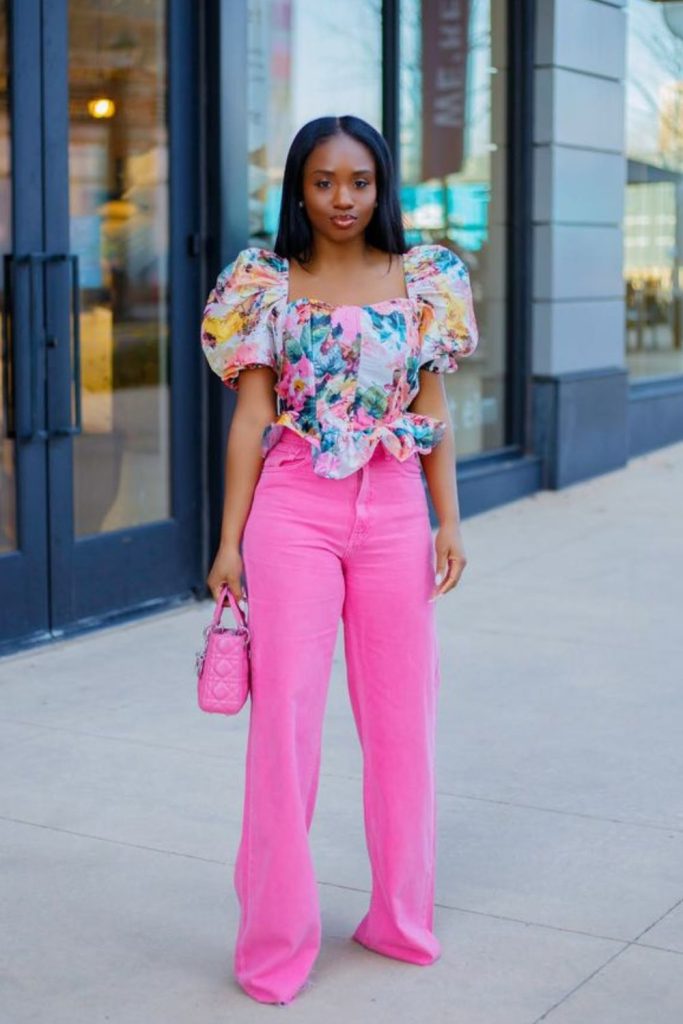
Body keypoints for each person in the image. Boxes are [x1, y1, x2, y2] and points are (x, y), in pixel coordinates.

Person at [200, 114, 479, 1006]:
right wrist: (228, 540)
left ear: (380, 185)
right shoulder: (264, 285)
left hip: (395, 506)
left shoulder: (425, 279)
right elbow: (250, 419)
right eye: (322, 182)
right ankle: (276, 942)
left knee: (403, 725)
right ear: (298, 191)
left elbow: (431, 413)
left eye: (357, 181)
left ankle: (399, 916)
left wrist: (448, 521)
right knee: (285, 730)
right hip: (293, 511)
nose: (342, 198)